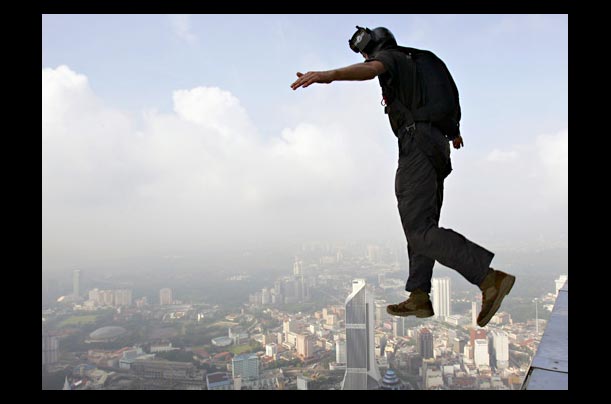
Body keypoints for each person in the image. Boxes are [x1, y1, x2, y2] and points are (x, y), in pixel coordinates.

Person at [290, 26, 516, 327]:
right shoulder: (425, 60)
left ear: (373, 48)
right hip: (438, 147)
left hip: (416, 146)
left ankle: (489, 279)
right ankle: (419, 295)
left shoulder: (391, 58)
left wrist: (327, 75)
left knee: (419, 231)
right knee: (421, 224)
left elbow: (371, 70)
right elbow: (450, 95)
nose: (368, 57)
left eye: (366, 52)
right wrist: (454, 133)